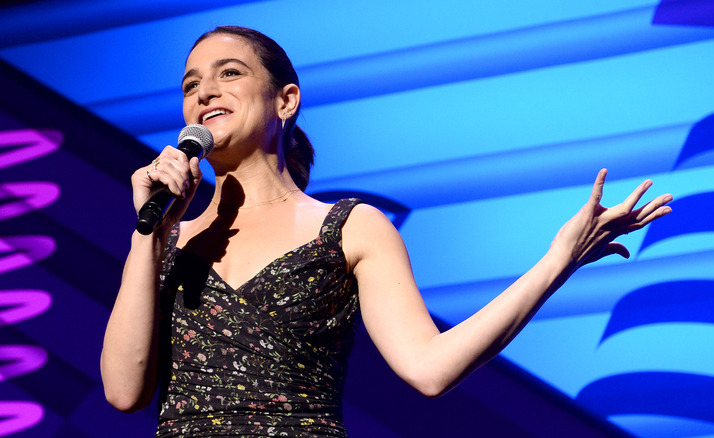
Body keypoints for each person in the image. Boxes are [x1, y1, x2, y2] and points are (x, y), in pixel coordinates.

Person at [100, 26, 673, 437]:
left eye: (230, 74)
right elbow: (124, 393)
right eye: (191, 84)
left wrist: (557, 262)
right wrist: (147, 234)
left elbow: (429, 368)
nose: (205, 92)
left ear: (286, 100)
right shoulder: (165, 239)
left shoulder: (349, 227)